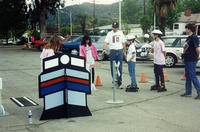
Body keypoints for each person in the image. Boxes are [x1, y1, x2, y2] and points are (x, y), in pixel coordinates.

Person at [102, 22, 126, 88]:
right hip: (112, 51)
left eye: (115, 27)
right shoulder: (109, 34)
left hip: (120, 51)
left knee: (119, 67)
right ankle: (114, 81)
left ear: (118, 27)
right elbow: (105, 42)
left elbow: (123, 43)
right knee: (113, 67)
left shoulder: (120, 33)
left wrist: (124, 52)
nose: (114, 29)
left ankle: (119, 80)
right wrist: (104, 49)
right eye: (113, 27)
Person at [181, 23, 200, 99]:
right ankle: (188, 92)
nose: (185, 30)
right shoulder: (189, 37)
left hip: (192, 59)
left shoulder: (194, 37)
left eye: (186, 28)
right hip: (187, 59)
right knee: (188, 76)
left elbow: (197, 48)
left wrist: (198, 56)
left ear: (189, 29)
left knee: (193, 76)